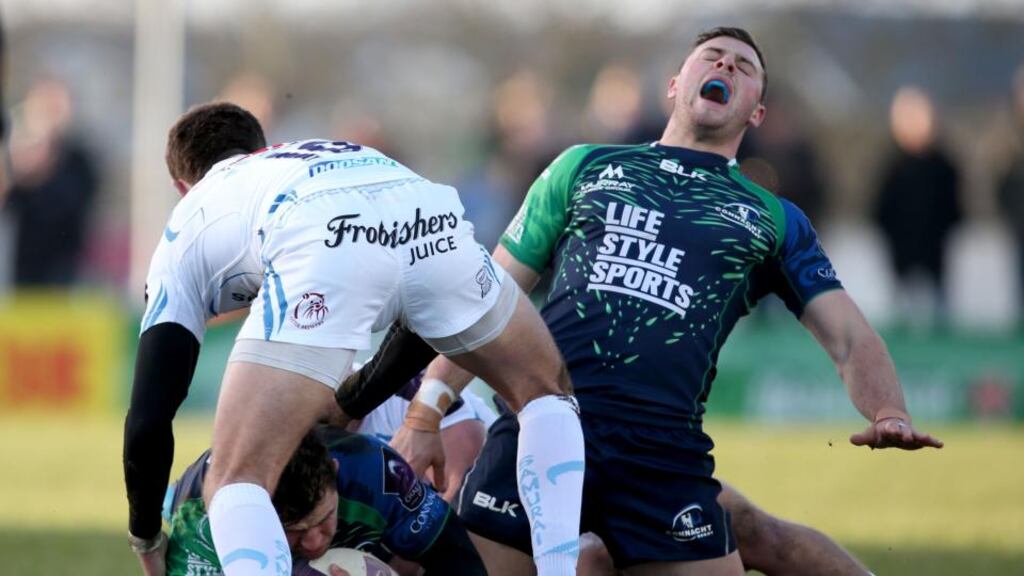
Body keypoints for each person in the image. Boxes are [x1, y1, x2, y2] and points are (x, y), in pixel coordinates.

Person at [381, 27, 941, 576]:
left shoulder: (773, 219)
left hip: (661, 456)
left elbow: (849, 336)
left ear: (757, 114)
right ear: (675, 85)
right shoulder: (583, 167)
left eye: (743, 68)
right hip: (544, 426)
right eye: (713, 57)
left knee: (754, 533)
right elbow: (486, 300)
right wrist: (425, 412)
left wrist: (888, 409)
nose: (725, 67)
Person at [123, 103, 585, 576]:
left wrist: (145, 535)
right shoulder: (305, 156)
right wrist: (354, 400)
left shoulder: (192, 218)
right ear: (263, 149)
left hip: (317, 228)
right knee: (546, 391)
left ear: (183, 187)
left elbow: (149, 418)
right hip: (421, 206)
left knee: (236, 478)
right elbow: (429, 312)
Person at [164, 428, 486, 576]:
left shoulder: (373, 471)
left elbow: (459, 562)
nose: (316, 542)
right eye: (294, 531)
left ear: (335, 471)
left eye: (324, 518)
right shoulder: (200, 518)